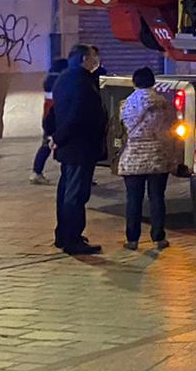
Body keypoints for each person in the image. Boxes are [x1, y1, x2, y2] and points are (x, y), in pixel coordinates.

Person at [46, 45, 107, 255]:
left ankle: (63, 235)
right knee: (76, 194)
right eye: (93, 57)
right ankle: (72, 239)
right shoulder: (82, 82)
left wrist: (53, 136)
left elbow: (54, 112)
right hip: (80, 147)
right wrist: (58, 137)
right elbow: (77, 114)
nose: (96, 61)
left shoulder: (63, 79)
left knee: (66, 192)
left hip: (68, 147)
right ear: (83, 59)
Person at [117, 67, 174, 251]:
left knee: (134, 199)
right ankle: (158, 238)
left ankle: (132, 239)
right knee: (157, 197)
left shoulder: (126, 104)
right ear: (153, 82)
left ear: (134, 82)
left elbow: (123, 128)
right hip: (158, 156)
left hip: (134, 157)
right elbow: (169, 128)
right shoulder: (163, 104)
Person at [30, 58, 69, 184]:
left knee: (46, 145)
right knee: (50, 145)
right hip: (55, 118)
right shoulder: (59, 82)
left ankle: (37, 172)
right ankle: (37, 172)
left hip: (48, 118)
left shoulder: (49, 80)